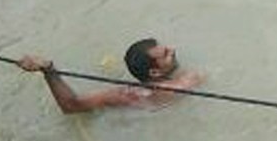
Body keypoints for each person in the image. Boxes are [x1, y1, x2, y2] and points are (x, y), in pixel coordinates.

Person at [17, 38, 204, 114]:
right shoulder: (183, 83)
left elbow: (71, 105)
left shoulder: (127, 93)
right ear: (154, 72)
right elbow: (70, 107)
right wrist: (48, 70)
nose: (173, 51)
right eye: (166, 54)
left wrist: (50, 71)